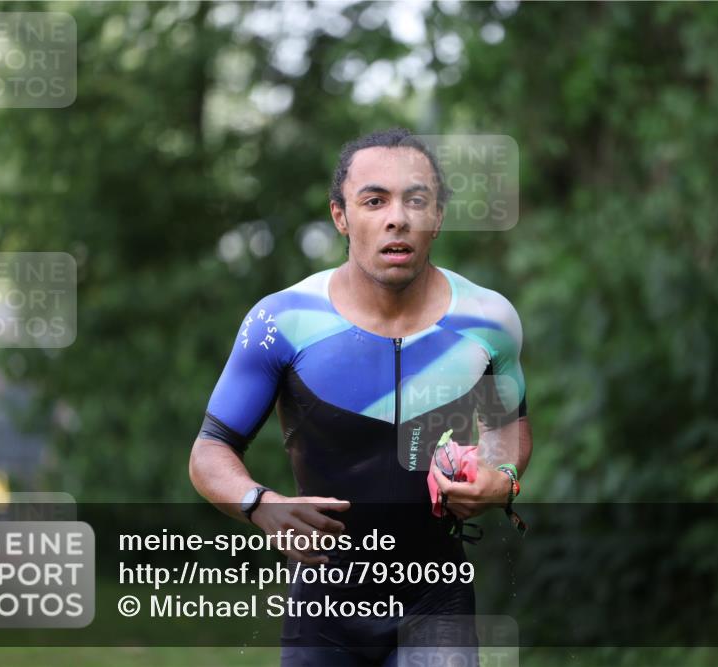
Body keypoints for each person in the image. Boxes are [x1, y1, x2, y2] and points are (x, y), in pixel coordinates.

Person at [189, 128, 532, 666]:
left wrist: (500, 476)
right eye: (374, 201)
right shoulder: (282, 322)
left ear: (438, 217)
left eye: (416, 200)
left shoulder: (487, 321)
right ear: (340, 216)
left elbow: (506, 431)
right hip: (324, 610)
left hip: (436, 599)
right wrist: (261, 506)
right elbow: (210, 449)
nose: (397, 217)